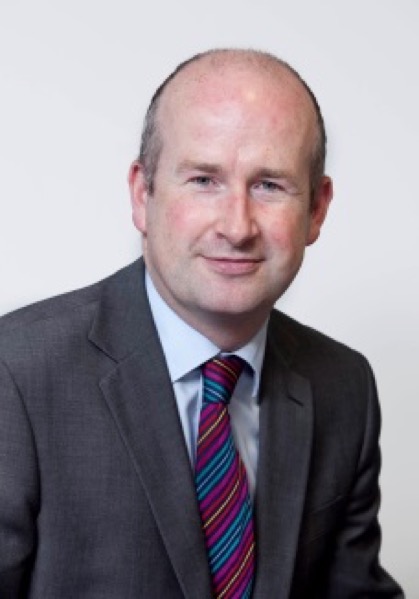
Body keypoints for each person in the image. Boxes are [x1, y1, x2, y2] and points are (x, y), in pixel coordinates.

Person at [0, 48, 403, 598]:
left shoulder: (343, 385)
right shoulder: (16, 376)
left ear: (317, 209)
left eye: (269, 185)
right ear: (142, 194)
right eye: (204, 180)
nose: (237, 227)